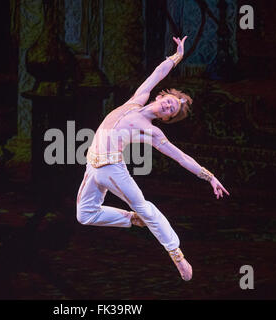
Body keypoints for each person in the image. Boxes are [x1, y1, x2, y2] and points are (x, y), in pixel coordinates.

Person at [76, 36, 230, 281]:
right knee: (84, 215)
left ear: (167, 118)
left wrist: (208, 176)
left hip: (112, 168)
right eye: (170, 101)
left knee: (146, 207)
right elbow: (158, 73)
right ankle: (132, 219)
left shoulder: (152, 131)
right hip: (92, 165)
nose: (169, 106)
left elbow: (180, 157)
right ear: (161, 97)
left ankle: (176, 253)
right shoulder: (137, 100)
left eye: (173, 110)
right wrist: (177, 56)